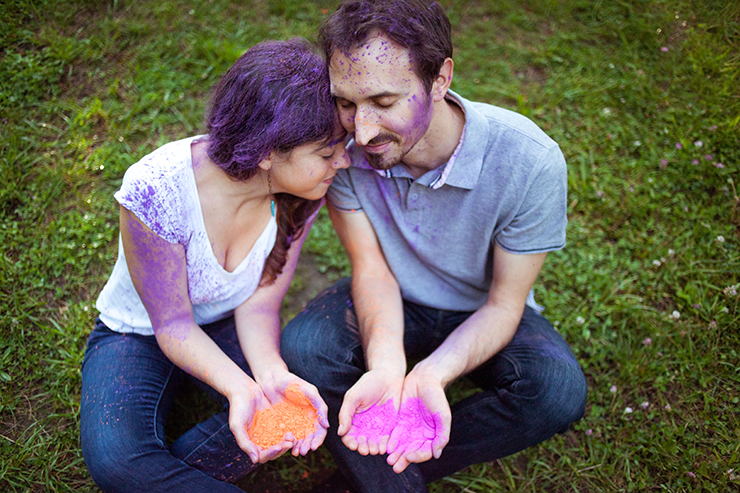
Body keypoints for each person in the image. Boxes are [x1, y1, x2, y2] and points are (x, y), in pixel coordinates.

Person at [280, 1, 588, 491]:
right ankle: (389, 478)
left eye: (384, 102)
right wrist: (386, 366)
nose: (361, 131)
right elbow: (372, 270)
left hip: (478, 308)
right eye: (346, 102)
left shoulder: (530, 161)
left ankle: (371, 473)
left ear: (441, 79)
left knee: (555, 393)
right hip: (391, 294)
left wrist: (431, 375)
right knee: (303, 348)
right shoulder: (344, 153)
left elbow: (505, 305)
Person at [80, 38, 348, 493]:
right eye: (326, 153)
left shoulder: (299, 196)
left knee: (297, 411)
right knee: (118, 460)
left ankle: (160, 478)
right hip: (139, 333)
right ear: (267, 150)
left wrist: (269, 375)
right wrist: (241, 390)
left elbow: (261, 303)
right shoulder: (156, 189)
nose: (342, 162)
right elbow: (174, 325)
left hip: (228, 325)